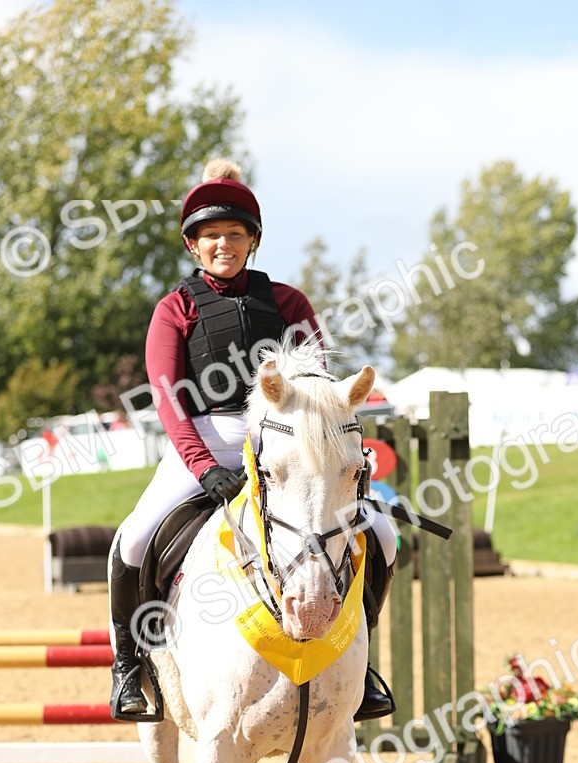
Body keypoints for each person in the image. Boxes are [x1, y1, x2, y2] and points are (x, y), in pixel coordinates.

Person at [109, 159, 397, 723]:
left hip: (286, 448)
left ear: (253, 241)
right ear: (193, 245)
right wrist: (203, 467)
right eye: (211, 235)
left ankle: (357, 663)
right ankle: (129, 666)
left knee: (382, 535)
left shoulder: (288, 303)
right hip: (204, 443)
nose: (224, 244)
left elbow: (319, 390)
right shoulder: (175, 309)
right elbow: (167, 398)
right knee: (135, 538)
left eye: (235, 234)